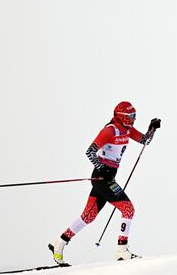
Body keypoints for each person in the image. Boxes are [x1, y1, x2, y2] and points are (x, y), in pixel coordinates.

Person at [48, 101, 161, 263]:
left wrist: (152, 129)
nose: (133, 120)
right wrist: (102, 168)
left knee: (88, 216)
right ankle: (122, 250)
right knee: (128, 209)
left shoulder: (127, 129)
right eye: (130, 116)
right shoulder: (110, 130)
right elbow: (90, 151)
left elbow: (145, 141)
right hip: (101, 178)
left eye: (134, 116)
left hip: (108, 179)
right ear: (121, 116)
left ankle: (59, 243)